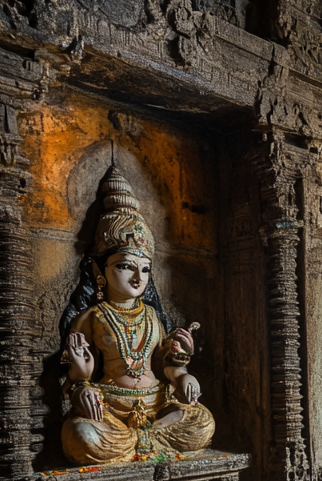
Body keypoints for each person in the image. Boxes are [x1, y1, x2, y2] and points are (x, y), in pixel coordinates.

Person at [59, 165, 215, 465]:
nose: (137, 277)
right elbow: (73, 379)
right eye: (125, 266)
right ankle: (136, 443)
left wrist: (182, 371)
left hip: (157, 408)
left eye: (144, 269)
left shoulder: (153, 317)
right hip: (110, 410)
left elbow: (166, 367)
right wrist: (81, 381)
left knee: (203, 422)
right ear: (98, 270)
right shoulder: (93, 316)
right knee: (82, 435)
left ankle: (142, 441)